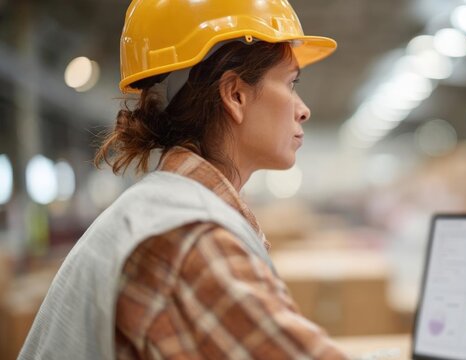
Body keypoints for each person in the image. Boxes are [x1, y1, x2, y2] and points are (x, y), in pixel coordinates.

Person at [19, 0, 350, 359]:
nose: (303, 109)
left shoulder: (165, 209)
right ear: (235, 95)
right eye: (290, 83)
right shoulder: (188, 236)